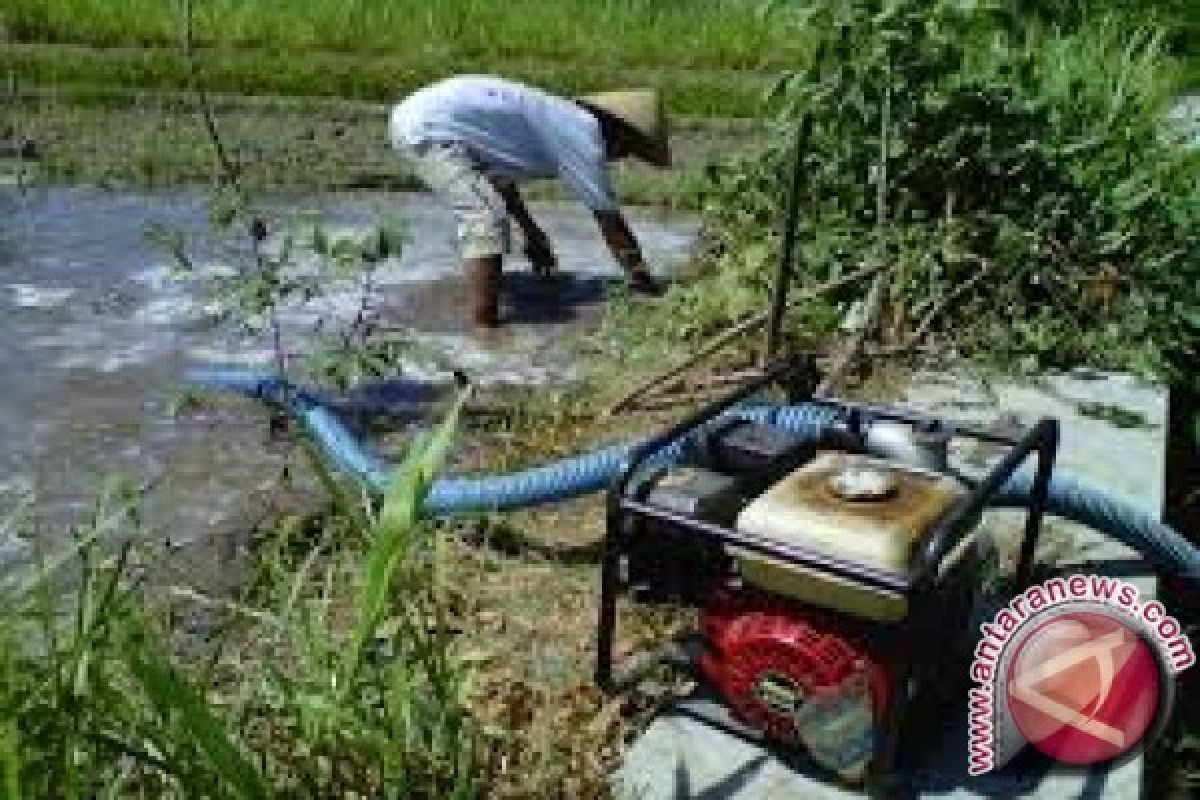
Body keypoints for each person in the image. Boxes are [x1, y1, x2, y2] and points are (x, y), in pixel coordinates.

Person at [389, 75, 670, 327]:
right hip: (427, 128)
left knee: (487, 207)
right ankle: (484, 325)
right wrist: (643, 283)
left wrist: (533, 234)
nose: (621, 158)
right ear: (619, 131)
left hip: (422, 116)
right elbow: (610, 222)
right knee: (485, 217)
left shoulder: (559, 118)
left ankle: (485, 311)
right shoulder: (585, 135)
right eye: (628, 150)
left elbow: (500, 182)